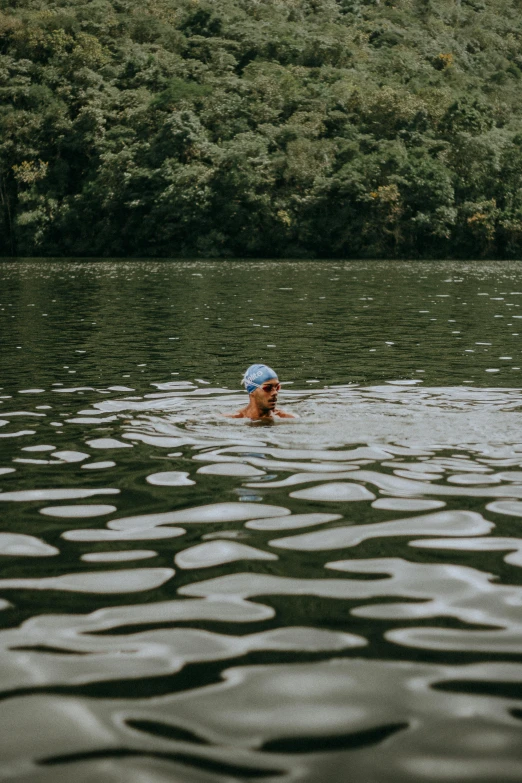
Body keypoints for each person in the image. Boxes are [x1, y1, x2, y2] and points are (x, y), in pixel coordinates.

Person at [225, 364, 297, 421]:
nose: (275, 392)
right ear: (252, 391)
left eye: (277, 387)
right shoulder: (232, 419)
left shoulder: (288, 418)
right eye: (268, 388)